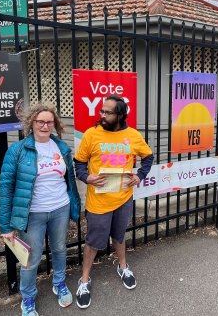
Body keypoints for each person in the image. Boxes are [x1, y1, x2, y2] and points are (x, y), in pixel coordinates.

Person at [0, 103, 81, 316]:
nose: (45, 126)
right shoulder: (18, 151)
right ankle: (27, 297)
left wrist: (74, 205)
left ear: (54, 124)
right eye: (40, 121)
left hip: (59, 208)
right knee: (31, 258)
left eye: (49, 121)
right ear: (32, 123)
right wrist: (6, 225)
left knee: (60, 249)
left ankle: (59, 283)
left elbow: (69, 179)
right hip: (32, 214)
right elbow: (6, 189)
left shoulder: (61, 147)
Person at [73, 94, 154, 309]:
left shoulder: (133, 135)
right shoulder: (91, 134)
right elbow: (79, 163)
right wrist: (86, 177)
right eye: (101, 111)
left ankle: (123, 266)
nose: (101, 115)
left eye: (107, 112)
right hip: (99, 202)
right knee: (92, 243)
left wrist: (140, 176)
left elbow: (148, 157)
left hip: (123, 198)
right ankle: (84, 280)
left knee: (119, 236)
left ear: (120, 115)